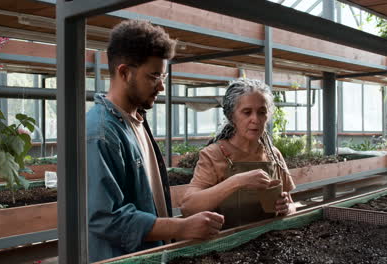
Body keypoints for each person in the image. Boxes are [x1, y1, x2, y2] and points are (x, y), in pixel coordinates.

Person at [86, 20, 224, 262]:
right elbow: (105, 218)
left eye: (163, 76)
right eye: (153, 76)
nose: (161, 85)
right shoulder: (101, 132)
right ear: (124, 72)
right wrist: (180, 228)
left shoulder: (137, 119)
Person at [181, 78, 296, 228]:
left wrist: (287, 208)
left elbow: (293, 205)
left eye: (262, 112)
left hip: (270, 241)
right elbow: (188, 207)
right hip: (227, 245)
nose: (255, 119)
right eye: (247, 112)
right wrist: (237, 182)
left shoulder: (273, 154)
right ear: (231, 116)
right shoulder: (214, 154)